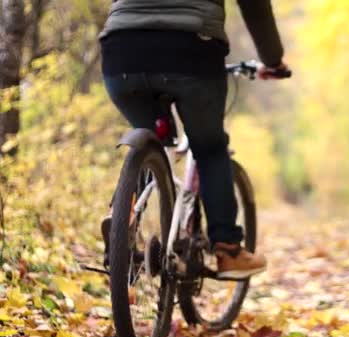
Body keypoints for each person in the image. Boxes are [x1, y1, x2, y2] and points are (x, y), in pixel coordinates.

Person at [99, 0, 290, 279]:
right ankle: (228, 249)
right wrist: (273, 60)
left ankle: (122, 216)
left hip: (121, 51)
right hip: (192, 51)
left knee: (150, 135)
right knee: (210, 148)